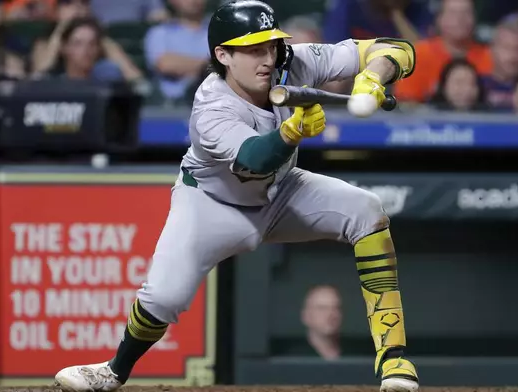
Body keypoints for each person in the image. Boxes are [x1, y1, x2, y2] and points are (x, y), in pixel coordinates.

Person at [53, 1, 419, 392]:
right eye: (252, 49)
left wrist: (375, 77)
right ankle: (113, 370)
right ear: (222, 55)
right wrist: (291, 132)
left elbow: (398, 48)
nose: (266, 58)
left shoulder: (291, 61)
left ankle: (394, 360)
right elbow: (253, 161)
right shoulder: (211, 105)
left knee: (366, 210)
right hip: (212, 203)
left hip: (281, 192)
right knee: (163, 298)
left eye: (270, 46)